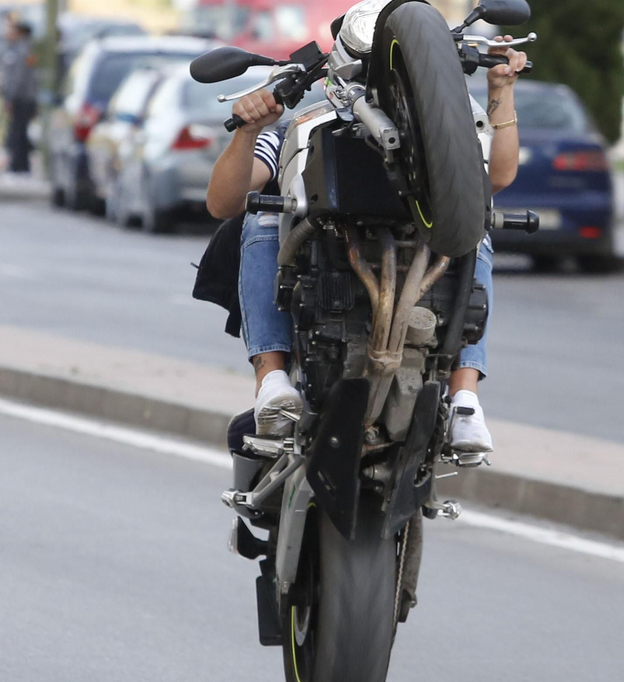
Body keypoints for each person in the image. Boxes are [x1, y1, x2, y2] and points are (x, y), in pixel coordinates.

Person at [205, 37, 528, 451]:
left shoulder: (437, 137)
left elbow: (496, 177)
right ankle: (272, 382)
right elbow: (222, 203)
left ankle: (465, 400)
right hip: (326, 266)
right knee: (262, 213)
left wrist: (500, 88)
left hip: (419, 260)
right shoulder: (300, 130)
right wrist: (248, 132)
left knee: (474, 218)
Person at [0, 17, 37, 175]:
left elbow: (18, 78)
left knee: (18, 133)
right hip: (21, 98)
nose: (7, 33)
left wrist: (10, 98)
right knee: (18, 132)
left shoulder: (22, 50)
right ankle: (20, 165)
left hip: (21, 98)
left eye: (11, 30)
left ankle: (18, 166)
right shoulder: (17, 49)